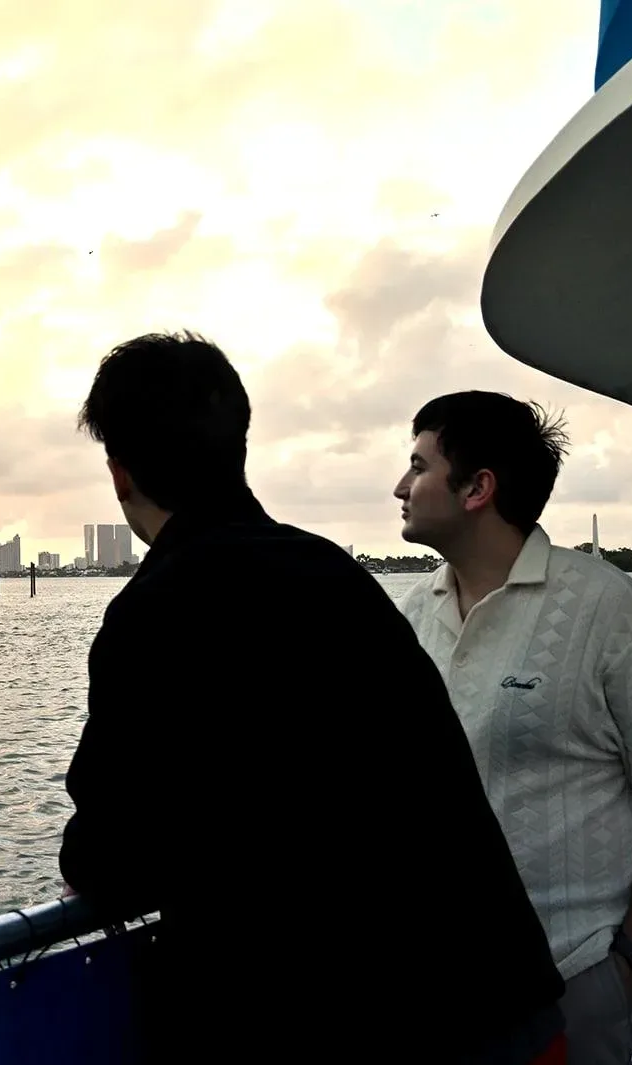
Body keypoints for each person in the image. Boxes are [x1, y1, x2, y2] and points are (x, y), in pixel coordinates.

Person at [59, 333, 567, 1064]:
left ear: (119, 474)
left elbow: (108, 855)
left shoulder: (151, 612)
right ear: (237, 445)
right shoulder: (337, 575)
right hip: (501, 999)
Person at [392, 391, 632, 1065]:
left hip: (572, 979)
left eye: (418, 465)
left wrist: (629, 961)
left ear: (478, 487)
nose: (400, 485)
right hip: (433, 986)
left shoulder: (608, 611)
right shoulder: (407, 618)